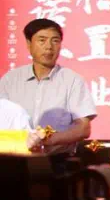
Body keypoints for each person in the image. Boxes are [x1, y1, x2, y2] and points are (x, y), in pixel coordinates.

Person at [0, 19, 96, 153]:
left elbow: (83, 129)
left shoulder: (73, 80)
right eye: (42, 40)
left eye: (55, 41)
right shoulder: (10, 80)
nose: (49, 47)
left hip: (57, 160)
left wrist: (49, 140)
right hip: (13, 158)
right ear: (29, 44)